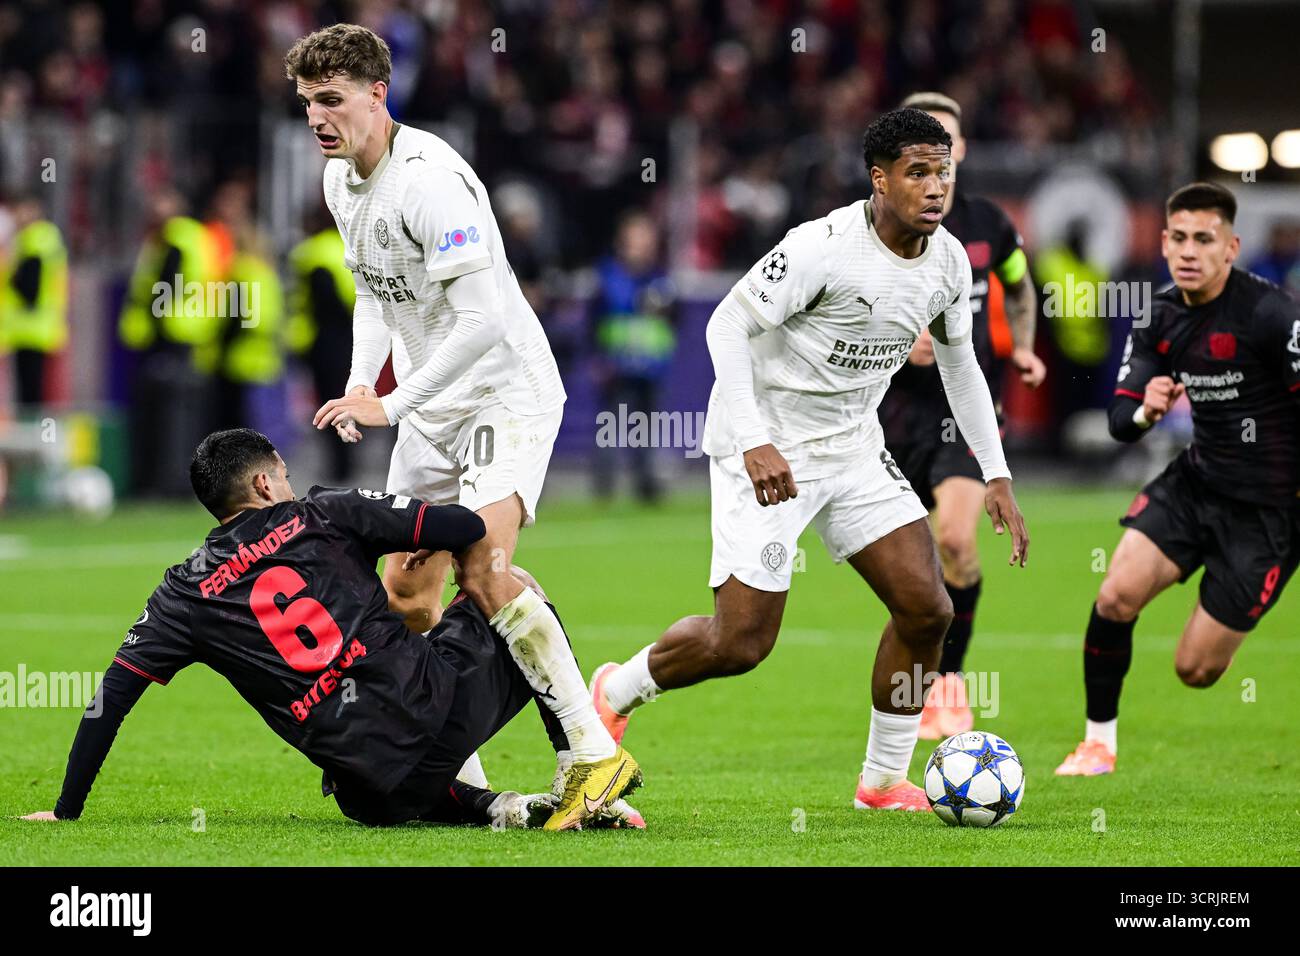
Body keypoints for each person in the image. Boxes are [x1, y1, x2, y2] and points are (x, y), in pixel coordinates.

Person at [590, 109, 1029, 811]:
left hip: (854, 446)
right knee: (740, 644)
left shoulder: (948, 259)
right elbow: (726, 321)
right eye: (918, 172)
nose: (935, 187)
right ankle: (614, 691)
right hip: (765, 445)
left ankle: (882, 783)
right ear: (879, 179)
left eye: (942, 171)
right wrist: (755, 436)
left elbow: (961, 364)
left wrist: (996, 471)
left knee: (927, 609)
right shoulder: (822, 246)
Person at [21, 429, 642, 831]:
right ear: (265, 484)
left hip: (369, 795)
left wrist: (67, 810)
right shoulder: (323, 511)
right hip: (439, 718)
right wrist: (423, 541)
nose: (289, 484)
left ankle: (496, 807)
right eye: (283, 475)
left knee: (385, 701)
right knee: (518, 585)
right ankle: (583, 767)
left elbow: (110, 700)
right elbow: (463, 528)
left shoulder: (183, 592)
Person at [286, 24, 589, 793]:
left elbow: (483, 320)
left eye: (332, 99)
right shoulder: (338, 181)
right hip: (429, 403)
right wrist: (364, 386)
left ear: (377, 93)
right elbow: (375, 291)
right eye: (306, 102)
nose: (318, 117)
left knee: (484, 572)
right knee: (406, 593)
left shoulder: (428, 181)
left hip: (501, 390)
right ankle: (460, 779)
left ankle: (591, 756)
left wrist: (394, 401)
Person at [1056, 183, 1300, 776]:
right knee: (1114, 595)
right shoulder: (1159, 316)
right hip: (1195, 484)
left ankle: (1230, 584)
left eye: (1204, 240)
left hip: (1268, 512)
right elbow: (1119, 420)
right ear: (1164, 243)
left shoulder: (1272, 315)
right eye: (1179, 239)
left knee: (1195, 670)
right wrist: (1146, 410)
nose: (1189, 251)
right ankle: (1097, 744)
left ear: (1231, 247)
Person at [877, 92, 1046, 739]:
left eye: (944, 147)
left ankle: (947, 688)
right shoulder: (873, 232)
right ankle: (910, 690)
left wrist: (1024, 346)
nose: (934, 165)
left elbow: (1019, 282)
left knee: (955, 539)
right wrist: (898, 344)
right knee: (910, 571)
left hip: (963, 412)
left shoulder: (990, 227)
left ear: (961, 150)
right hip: (888, 416)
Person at [0, 193, 68, 409]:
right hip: (38, 326)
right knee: (32, 390)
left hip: (30, 326)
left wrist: (10, 274)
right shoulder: (43, 238)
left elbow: (29, 287)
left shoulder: (35, 240)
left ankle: (34, 436)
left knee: (30, 392)